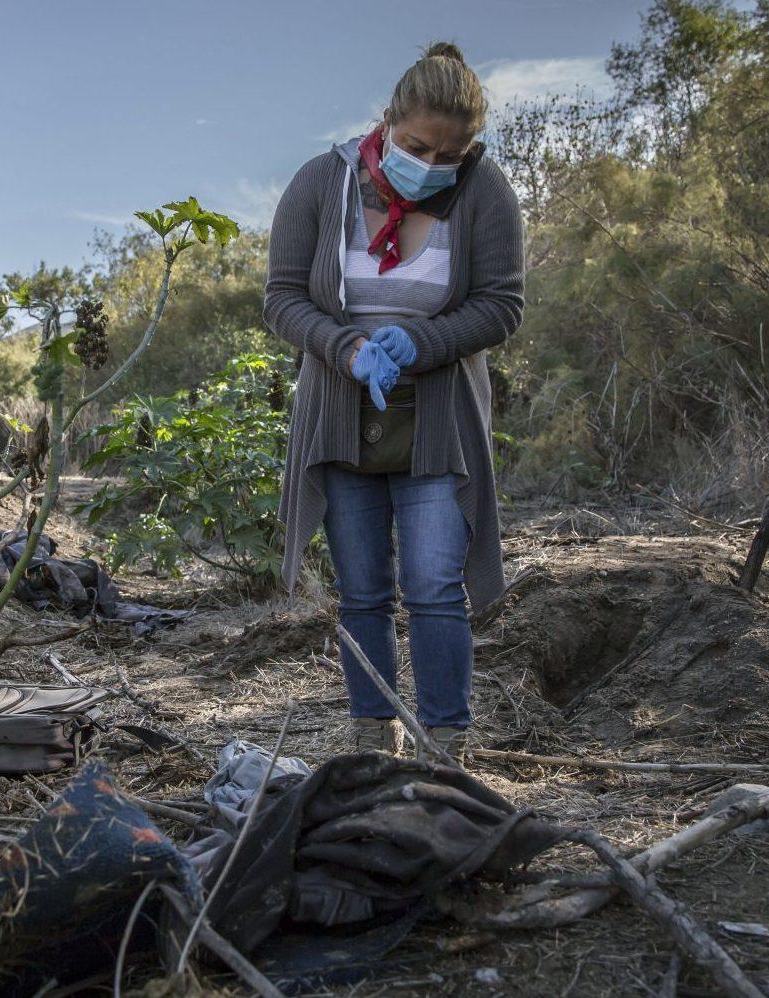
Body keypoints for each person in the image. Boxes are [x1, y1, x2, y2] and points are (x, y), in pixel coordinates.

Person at [264, 41, 525, 758]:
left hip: (437, 420)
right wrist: (344, 348)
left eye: (451, 153)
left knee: (435, 584)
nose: (433, 165)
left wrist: (422, 343)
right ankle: (373, 738)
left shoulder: (484, 192)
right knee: (362, 590)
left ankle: (447, 744)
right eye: (416, 146)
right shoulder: (321, 184)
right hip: (341, 417)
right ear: (386, 121)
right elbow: (282, 298)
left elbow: (501, 307)